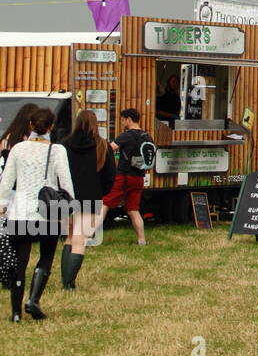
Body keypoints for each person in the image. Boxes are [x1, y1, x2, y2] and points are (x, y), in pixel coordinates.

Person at [0, 107, 74, 320]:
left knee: (19, 263)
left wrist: (2, 204)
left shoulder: (18, 149)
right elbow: (66, 184)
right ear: (51, 127)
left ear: (31, 126)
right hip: (46, 211)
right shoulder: (57, 150)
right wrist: (69, 208)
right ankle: (33, 300)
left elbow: (6, 181)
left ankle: (15, 313)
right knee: (46, 256)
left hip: (20, 210)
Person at [57, 110, 115, 290]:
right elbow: (110, 175)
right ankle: (69, 282)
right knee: (80, 239)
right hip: (90, 196)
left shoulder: (63, 145)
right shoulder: (102, 146)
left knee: (69, 237)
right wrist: (101, 191)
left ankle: (65, 279)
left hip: (66, 196)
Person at [104, 109, 153, 246]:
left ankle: (89, 236)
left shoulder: (126, 136)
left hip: (124, 176)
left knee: (105, 203)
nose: (122, 122)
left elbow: (110, 149)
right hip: (139, 177)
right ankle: (142, 240)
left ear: (129, 120)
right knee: (133, 210)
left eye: (123, 119)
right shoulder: (147, 136)